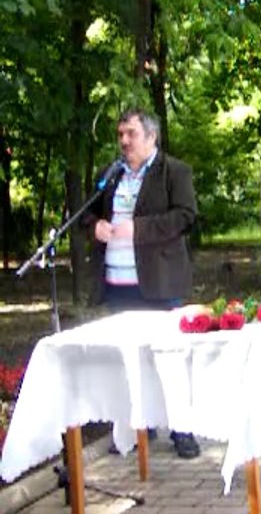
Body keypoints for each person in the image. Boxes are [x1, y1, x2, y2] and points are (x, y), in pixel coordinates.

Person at [89, 108, 200, 458]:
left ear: (151, 137)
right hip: (117, 282)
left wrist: (138, 229)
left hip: (159, 283)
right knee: (129, 360)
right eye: (120, 134)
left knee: (169, 360)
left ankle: (183, 430)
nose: (124, 141)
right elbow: (88, 212)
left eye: (131, 134)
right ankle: (140, 427)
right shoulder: (111, 174)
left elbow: (185, 216)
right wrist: (95, 226)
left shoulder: (174, 171)